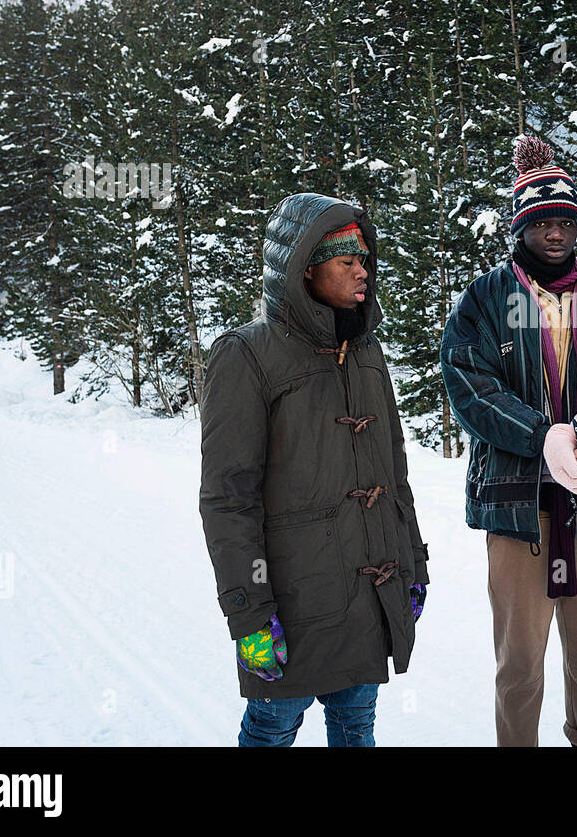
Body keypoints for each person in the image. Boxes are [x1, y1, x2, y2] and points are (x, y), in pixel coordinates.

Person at [440, 135, 577, 747]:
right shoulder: (488, 298)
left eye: (565, 220)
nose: (556, 233)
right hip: (518, 506)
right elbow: (469, 385)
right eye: (542, 222)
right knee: (519, 662)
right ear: (520, 227)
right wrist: (542, 436)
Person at [199, 192, 429, 747]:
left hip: (368, 592)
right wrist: (249, 614)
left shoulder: (367, 350)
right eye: (345, 260)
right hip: (292, 604)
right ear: (305, 269)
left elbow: (393, 477)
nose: (362, 271)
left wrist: (413, 563)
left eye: (365, 259)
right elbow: (228, 499)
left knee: (356, 727)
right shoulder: (247, 354)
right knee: (274, 727)